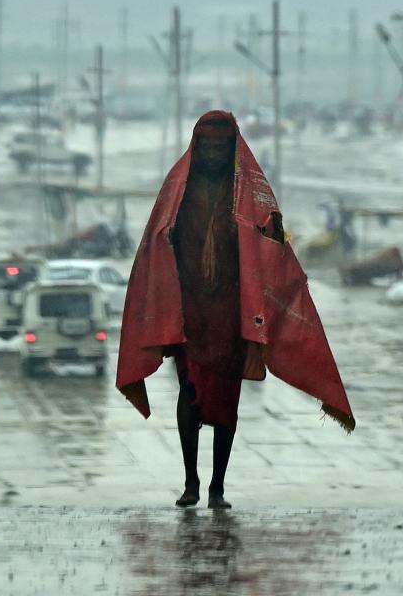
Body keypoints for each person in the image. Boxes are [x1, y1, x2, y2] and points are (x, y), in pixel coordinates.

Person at [116, 111, 356, 509]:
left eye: (219, 148)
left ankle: (217, 488)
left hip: (231, 315)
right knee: (189, 394)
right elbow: (156, 241)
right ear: (195, 148)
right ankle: (191, 482)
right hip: (189, 313)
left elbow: (273, 245)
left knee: (227, 400)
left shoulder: (251, 196)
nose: (211, 155)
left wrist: (271, 240)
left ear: (232, 150)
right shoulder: (178, 190)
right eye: (205, 147)